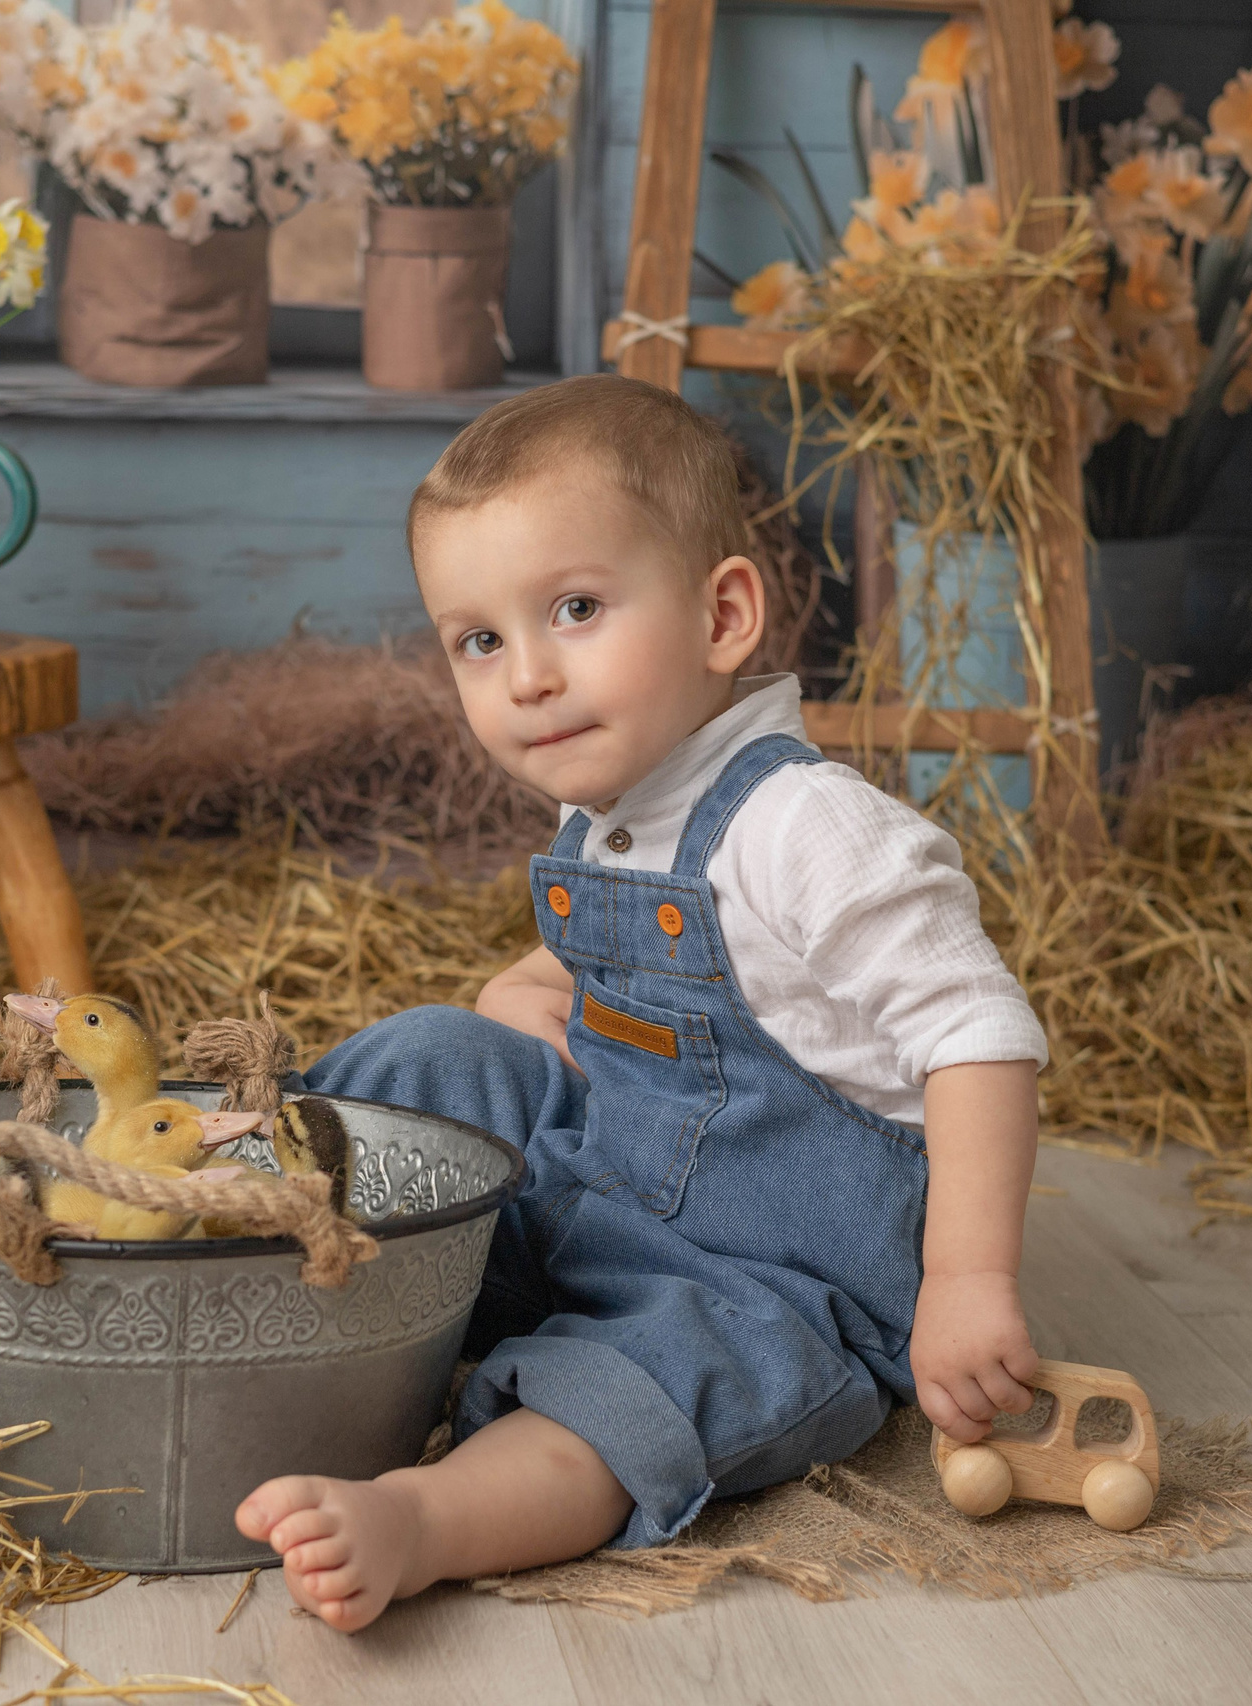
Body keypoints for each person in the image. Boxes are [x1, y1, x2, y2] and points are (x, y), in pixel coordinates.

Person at [234, 375, 1049, 1630]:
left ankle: (431, 1514)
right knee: (432, 1051)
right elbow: (616, 962)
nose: (528, 677)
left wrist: (967, 1276)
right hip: (604, 1182)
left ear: (722, 614)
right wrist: (530, 986)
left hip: (770, 1276)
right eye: (480, 640)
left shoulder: (807, 825)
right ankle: (231, 1227)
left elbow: (978, 1034)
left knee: (643, 1387)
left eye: (574, 608)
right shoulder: (611, 799)